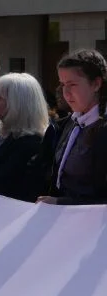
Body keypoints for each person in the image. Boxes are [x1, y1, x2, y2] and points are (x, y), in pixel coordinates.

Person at [36, 49, 107, 205]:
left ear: (96, 84)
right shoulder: (65, 125)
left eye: (72, 84)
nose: (66, 93)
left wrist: (61, 203)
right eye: (62, 85)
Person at [0, 73, 48, 201]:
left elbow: (1, 186)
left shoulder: (29, 144)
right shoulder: (1, 135)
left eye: (0, 98)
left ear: (17, 104)